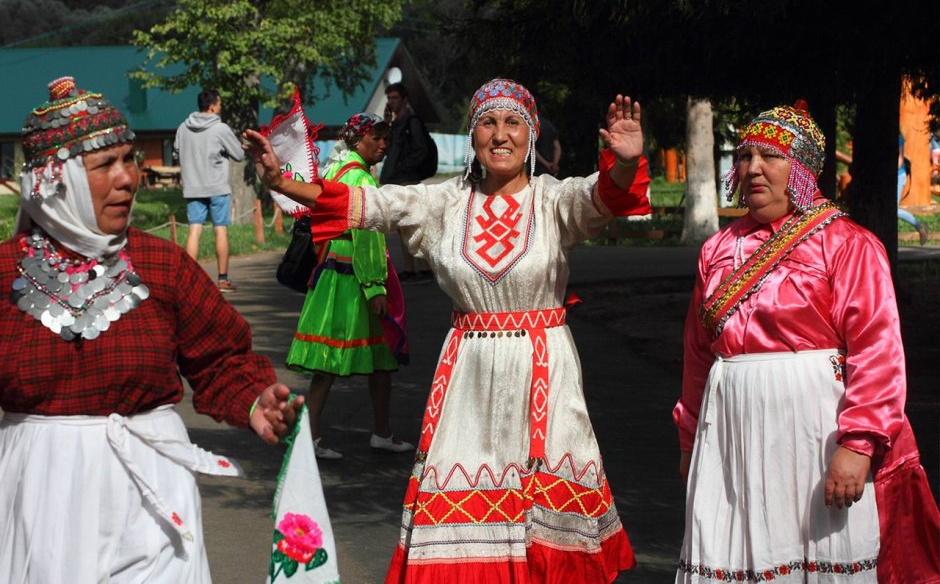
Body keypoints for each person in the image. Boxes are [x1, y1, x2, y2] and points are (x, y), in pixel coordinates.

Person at [245, 78, 652, 583]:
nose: (500, 135)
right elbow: (367, 205)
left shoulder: (554, 201)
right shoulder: (443, 203)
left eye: (512, 123)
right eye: (487, 122)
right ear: (472, 134)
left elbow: (605, 196)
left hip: (544, 373)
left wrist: (628, 160)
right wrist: (282, 182)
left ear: (530, 135)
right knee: (463, 513)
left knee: (546, 522)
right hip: (467, 380)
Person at [0, 76, 305, 582]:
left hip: (153, 499)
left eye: (130, 160)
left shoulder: (162, 264)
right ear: (58, 181)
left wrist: (255, 400)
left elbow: (220, 359)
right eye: (105, 165)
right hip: (41, 497)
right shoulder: (4, 273)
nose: (127, 179)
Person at [674, 103, 940, 583]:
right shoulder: (716, 250)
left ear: (800, 169)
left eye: (770, 156)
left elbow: (877, 351)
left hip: (814, 437)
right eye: (745, 155)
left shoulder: (846, 244)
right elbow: (698, 356)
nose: (753, 168)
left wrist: (857, 446)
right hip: (730, 438)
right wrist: (690, 439)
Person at [287, 112, 413, 460]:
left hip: (330, 270)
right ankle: (377, 433)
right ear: (360, 141)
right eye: (377, 137)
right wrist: (376, 288)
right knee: (375, 355)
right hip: (353, 277)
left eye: (386, 137)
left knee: (335, 360)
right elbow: (369, 236)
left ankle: (326, 435)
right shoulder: (362, 180)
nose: (384, 144)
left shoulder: (335, 170)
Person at [174, 87, 245, 292]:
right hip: (217, 186)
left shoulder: (182, 128)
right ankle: (222, 280)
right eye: (220, 104)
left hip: (193, 186)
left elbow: (177, 152)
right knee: (220, 229)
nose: (221, 107)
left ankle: (187, 280)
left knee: (194, 230)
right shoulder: (220, 129)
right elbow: (239, 155)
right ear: (213, 106)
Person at [379, 81, 433, 284]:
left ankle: (424, 267)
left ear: (404, 100)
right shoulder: (395, 123)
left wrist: (404, 167)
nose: (391, 102)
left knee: (415, 224)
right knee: (402, 226)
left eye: (395, 98)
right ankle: (410, 268)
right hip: (395, 180)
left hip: (407, 180)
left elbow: (421, 150)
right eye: (389, 98)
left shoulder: (412, 122)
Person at [897, 135, 929, 245]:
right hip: (889, 177)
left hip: (897, 176)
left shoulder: (897, 138)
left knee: (893, 210)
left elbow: (900, 160)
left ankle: (919, 226)